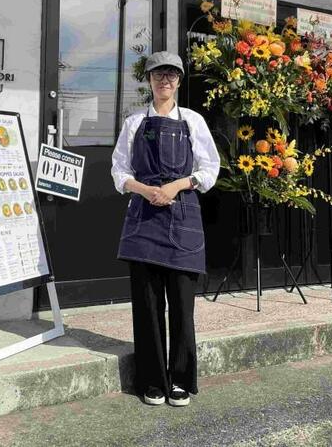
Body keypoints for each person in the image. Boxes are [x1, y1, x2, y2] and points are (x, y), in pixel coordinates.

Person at [111, 50, 220, 407]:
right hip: (143, 217)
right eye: (159, 75)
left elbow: (210, 169)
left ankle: (181, 379)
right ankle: (152, 380)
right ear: (149, 81)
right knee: (147, 304)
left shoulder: (192, 121)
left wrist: (175, 186)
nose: (165, 81)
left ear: (179, 81)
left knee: (182, 305)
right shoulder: (133, 123)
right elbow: (119, 172)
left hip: (183, 214)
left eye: (171, 75)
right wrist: (144, 190)